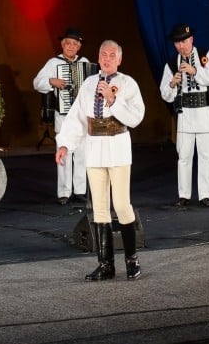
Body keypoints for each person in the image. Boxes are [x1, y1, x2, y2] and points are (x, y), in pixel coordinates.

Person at [55, 40, 146, 281]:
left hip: (117, 148)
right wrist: (65, 144)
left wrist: (114, 101)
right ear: (98, 57)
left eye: (112, 55)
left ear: (119, 59)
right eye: (103, 54)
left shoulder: (127, 84)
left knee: (122, 204)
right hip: (94, 150)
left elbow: (137, 116)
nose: (107, 58)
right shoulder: (88, 85)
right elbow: (76, 118)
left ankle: (131, 259)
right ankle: (106, 264)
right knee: (100, 208)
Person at [159, 24, 209, 209]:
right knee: (184, 156)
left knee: (206, 156)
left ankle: (205, 195)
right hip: (185, 113)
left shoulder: (205, 55)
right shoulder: (171, 64)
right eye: (178, 43)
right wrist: (172, 83)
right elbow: (165, 94)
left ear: (191, 40)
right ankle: (184, 195)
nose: (181, 46)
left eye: (184, 41)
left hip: (204, 112)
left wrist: (196, 71)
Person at [33, 27, 91, 205]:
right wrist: (52, 81)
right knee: (64, 154)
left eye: (75, 44)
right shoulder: (53, 63)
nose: (71, 46)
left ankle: (80, 191)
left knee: (82, 154)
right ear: (62, 44)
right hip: (63, 115)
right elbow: (37, 83)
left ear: (79, 46)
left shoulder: (86, 63)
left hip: (82, 116)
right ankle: (64, 192)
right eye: (68, 43)